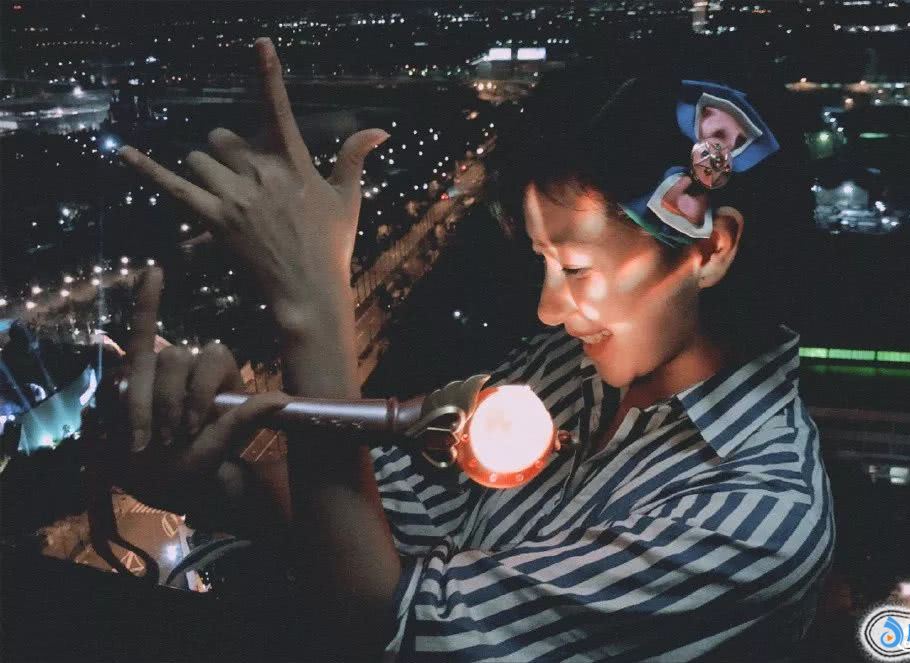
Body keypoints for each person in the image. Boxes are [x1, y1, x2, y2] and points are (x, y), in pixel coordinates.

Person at [111, 37, 834, 661]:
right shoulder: (575, 371)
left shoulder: (756, 519)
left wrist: (313, 304)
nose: (549, 309)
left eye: (576, 267)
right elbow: (380, 511)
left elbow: (382, 627)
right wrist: (210, 479)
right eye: (544, 262)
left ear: (709, 249)